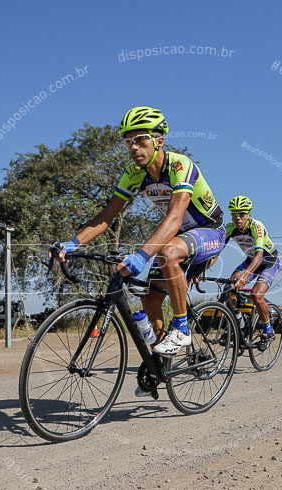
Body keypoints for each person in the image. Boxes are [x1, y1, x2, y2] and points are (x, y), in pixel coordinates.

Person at [51, 106, 225, 396]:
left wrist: (141, 256)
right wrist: (72, 243)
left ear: (159, 141)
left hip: (209, 230)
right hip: (179, 234)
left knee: (166, 254)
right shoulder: (134, 173)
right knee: (150, 298)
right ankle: (162, 364)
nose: (133, 147)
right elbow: (107, 216)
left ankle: (182, 329)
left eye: (140, 139)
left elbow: (175, 216)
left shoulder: (180, 165)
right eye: (128, 141)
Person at [220, 195, 280, 342]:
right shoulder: (230, 228)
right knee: (229, 288)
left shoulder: (256, 226)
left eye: (242, 214)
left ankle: (268, 329)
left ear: (249, 215)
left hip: (268, 262)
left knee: (256, 294)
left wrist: (244, 276)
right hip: (250, 261)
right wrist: (202, 267)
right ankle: (237, 323)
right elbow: (215, 251)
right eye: (234, 214)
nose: (238, 217)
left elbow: (259, 256)